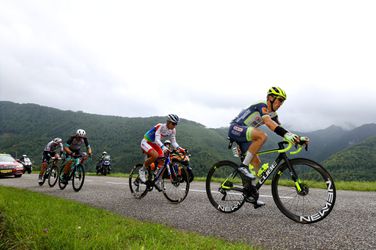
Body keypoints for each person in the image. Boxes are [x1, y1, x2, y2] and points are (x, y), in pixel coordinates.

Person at [228, 87, 308, 206]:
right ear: (270, 98)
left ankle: (251, 194)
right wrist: (287, 135)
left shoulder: (273, 114)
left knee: (256, 162)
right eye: (279, 100)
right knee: (262, 136)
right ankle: (243, 167)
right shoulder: (262, 105)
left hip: (246, 136)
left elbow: (280, 129)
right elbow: (269, 124)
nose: (280, 103)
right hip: (235, 128)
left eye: (282, 101)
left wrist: (297, 138)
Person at [139, 114, 185, 190]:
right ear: (168, 122)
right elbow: (157, 139)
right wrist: (163, 147)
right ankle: (142, 170)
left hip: (154, 144)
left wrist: (180, 149)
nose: (174, 126)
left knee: (163, 160)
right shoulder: (160, 126)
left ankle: (157, 179)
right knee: (155, 155)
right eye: (173, 123)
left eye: (176, 124)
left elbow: (173, 142)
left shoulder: (173, 130)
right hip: (146, 142)